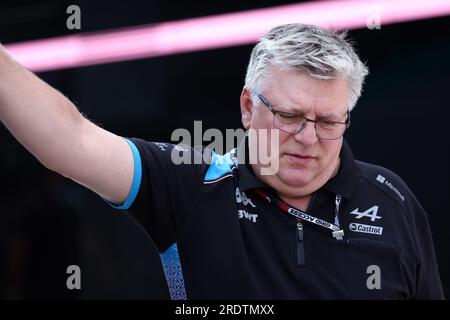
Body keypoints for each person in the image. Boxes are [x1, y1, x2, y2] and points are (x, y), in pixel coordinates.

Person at [0, 23, 444, 299]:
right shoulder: (193, 184)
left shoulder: (393, 203)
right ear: (248, 108)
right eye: (289, 116)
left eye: (328, 121)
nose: (308, 138)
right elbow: (69, 140)